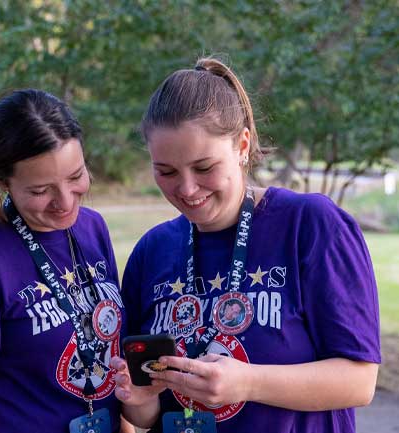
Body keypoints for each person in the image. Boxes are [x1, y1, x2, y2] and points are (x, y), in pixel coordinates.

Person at [111, 57, 380, 433]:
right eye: (166, 172)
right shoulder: (152, 251)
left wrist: (248, 382)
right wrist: (141, 400)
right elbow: (144, 413)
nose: (186, 189)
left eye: (204, 167)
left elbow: (359, 381)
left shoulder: (311, 225)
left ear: (242, 145)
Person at [0, 89, 127, 433]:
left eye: (75, 176)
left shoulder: (92, 227)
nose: (65, 202)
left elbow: (110, 363)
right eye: (40, 190)